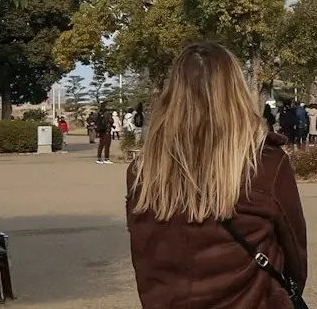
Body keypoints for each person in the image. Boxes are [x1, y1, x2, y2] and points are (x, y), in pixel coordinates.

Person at [127, 42, 307, 309]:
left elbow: (144, 257)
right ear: (236, 92)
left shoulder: (144, 170)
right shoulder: (263, 164)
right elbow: (295, 257)